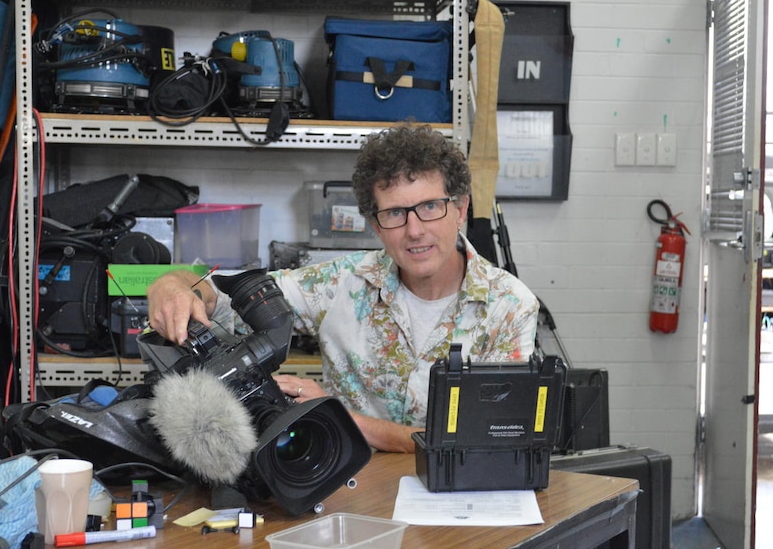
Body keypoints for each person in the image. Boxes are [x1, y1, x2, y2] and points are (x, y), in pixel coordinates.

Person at [146, 123, 540, 453]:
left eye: (430, 207)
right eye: (394, 213)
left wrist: (336, 415)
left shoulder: (509, 307)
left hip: (461, 503)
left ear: (460, 209)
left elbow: (490, 442)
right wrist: (172, 284)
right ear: (374, 224)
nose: (414, 230)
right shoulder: (339, 283)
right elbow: (225, 299)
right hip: (345, 488)